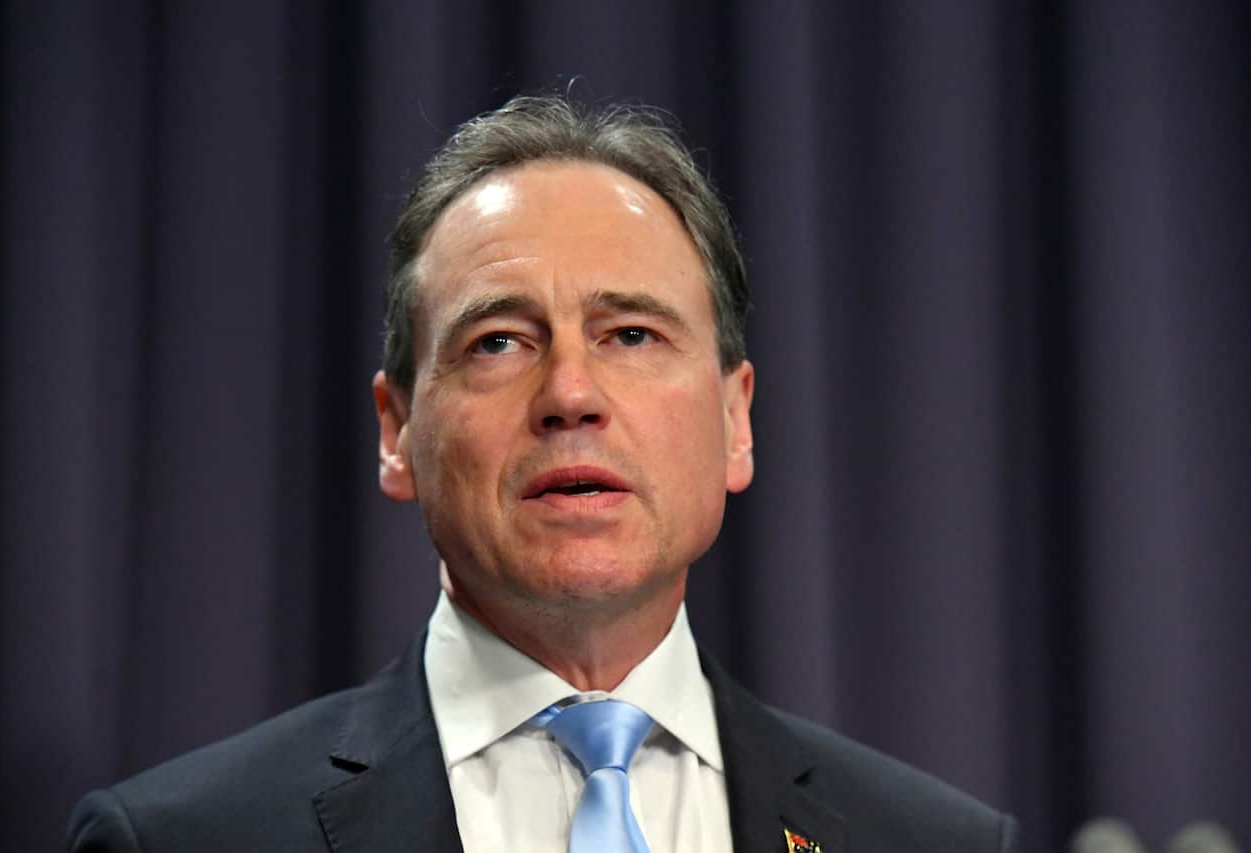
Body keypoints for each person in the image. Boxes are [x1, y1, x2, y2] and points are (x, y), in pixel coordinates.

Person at [68, 95, 1021, 853]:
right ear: (396, 431)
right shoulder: (185, 838)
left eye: (632, 334)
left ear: (736, 419)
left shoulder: (935, 840)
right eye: (498, 342)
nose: (571, 392)